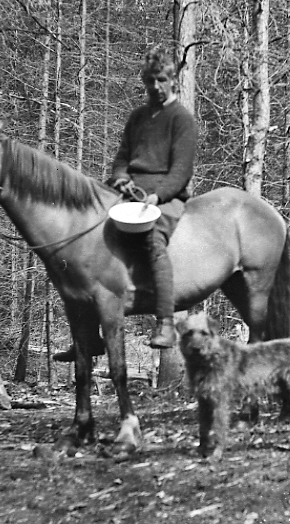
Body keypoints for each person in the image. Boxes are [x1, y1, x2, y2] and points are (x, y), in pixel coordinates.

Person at [54, 48, 198, 361]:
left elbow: (181, 171)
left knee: (153, 240)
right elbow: (122, 157)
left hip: (165, 197)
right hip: (128, 193)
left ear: (173, 81)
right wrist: (120, 178)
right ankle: (90, 336)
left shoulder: (182, 119)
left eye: (161, 80)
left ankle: (166, 322)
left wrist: (156, 196)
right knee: (90, 237)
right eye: (150, 81)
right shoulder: (138, 117)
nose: (155, 86)